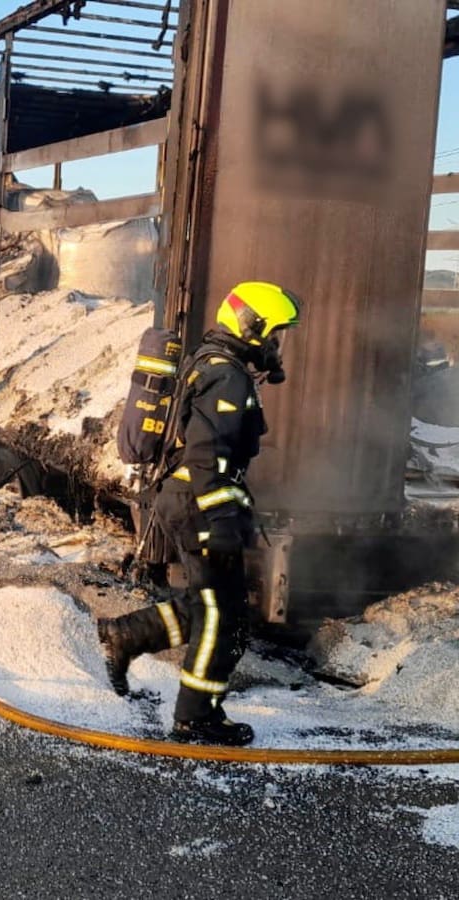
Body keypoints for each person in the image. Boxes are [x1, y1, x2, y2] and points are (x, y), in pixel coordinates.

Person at [97, 281, 301, 746]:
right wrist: (222, 525)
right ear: (253, 327)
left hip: (188, 500)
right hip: (200, 506)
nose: (278, 345)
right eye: (276, 333)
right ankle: (196, 719)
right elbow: (207, 456)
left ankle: (126, 635)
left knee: (209, 603)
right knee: (222, 617)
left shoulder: (212, 363)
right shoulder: (226, 376)